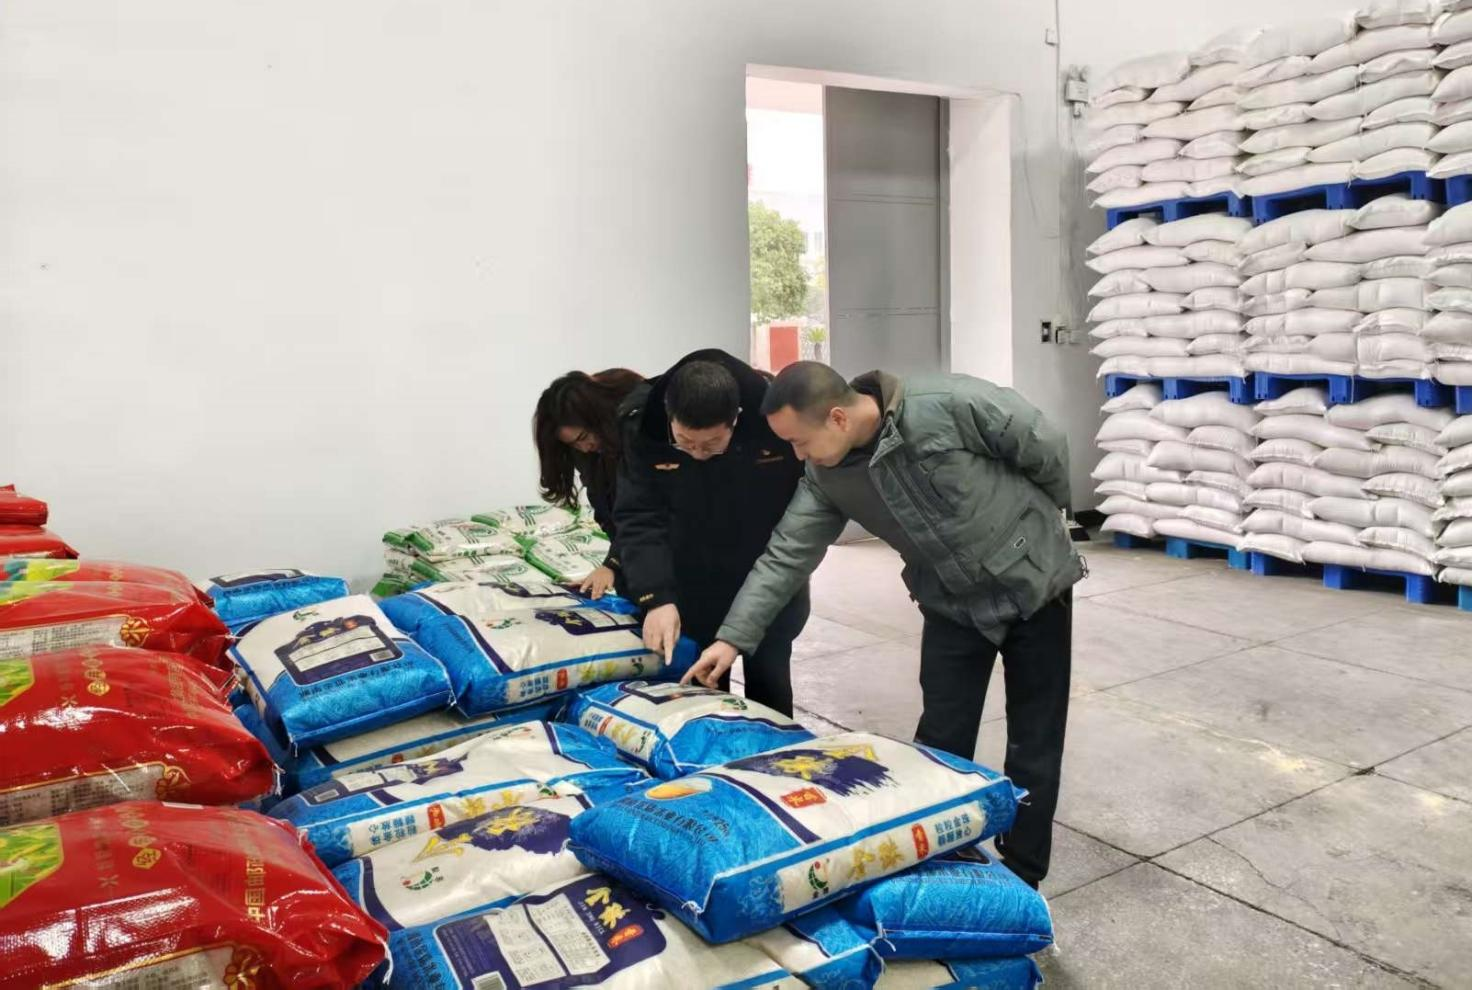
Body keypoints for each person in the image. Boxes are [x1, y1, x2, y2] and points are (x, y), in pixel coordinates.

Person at [683, 361, 1084, 888]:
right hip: (951, 604)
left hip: (1035, 583)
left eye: (800, 442)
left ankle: (1022, 875)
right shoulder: (828, 477)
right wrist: (732, 638)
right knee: (940, 741)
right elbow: (786, 554)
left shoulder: (946, 404)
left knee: (1034, 742)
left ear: (837, 418)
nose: (797, 456)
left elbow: (1043, 444)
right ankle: (941, 860)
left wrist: (1041, 524)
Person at [614, 349, 809, 716]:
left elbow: (802, 516)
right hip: (693, 579)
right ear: (670, 416)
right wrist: (656, 596)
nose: (698, 454)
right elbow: (639, 517)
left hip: (764, 576)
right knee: (704, 692)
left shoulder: (774, 423)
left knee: (770, 684)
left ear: (735, 419)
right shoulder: (643, 427)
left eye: (711, 444)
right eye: (685, 442)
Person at [533, 368, 647, 599]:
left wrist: (612, 564)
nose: (585, 448)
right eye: (573, 445)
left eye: (584, 438)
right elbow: (607, 511)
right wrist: (612, 569)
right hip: (636, 546)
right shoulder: (589, 451)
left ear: (598, 419)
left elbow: (643, 511)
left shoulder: (637, 424)